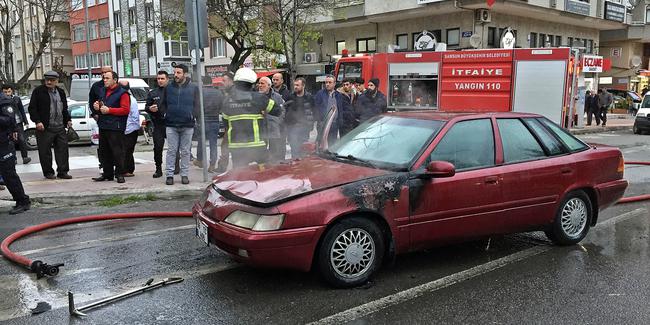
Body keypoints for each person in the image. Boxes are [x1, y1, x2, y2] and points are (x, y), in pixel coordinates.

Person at [222, 67, 282, 167]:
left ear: (235, 83)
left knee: (240, 175)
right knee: (265, 173)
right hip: (257, 146)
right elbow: (277, 111)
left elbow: (225, 123)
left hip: (236, 147)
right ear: (253, 84)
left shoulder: (227, 101)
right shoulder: (260, 98)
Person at [28, 70, 73, 180]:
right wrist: (37, 121)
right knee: (45, 152)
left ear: (57, 81)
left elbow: (64, 108)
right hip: (45, 127)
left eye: (52, 80)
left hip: (60, 126)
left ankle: (62, 171)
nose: (49, 82)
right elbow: (32, 108)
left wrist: (68, 120)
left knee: (62, 150)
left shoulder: (61, 92)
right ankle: (48, 172)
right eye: (47, 80)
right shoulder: (38, 91)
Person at [160, 64, 199, 185]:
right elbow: (163, 103)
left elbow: (197, 105)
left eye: (178, 73)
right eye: (175, 72)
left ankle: (185, 175)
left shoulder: (193, 88)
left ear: (185, 74)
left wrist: (193, 115)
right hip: (171, 124)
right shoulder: (169, 87)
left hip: (187, 124)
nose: (175, 75)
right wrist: (165, 114)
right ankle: (169, 175)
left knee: (186, 151)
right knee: (171, 150)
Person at [92, 71, 130, 183]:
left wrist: (110, 110)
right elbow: (101, 103)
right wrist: (97, 106)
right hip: (103, 125)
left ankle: (119, 174)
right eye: (104, 78)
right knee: (104, 151)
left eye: (107, 78)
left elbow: (125, 109)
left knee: (117, 151)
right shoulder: (103, 91)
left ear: (115, 80)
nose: (104, 80)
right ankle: (107, 174)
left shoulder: (123, 93)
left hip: (116, 126)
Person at [0, 93, 31, 214]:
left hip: (4, 143)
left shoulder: (4, 101)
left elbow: (9, 119)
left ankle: (23, 201)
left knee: (9, 174)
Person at [194, 76, 224, 172]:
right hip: (215, 120)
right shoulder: (219, 93)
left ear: (202, 82)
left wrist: (196, 118)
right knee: (213, 143)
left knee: (201, 141)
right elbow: (221, 107)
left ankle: (200, 160)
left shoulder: (200, 93)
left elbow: (197, 107)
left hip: (203, 120)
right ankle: (212, 164)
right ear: (211, 82)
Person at [314, 75, 353, 145]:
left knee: (332, 144)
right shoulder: (320, 94)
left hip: (334, 124)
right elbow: (315, 108)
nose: (327, 84)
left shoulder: (338, 95)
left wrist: (340, 121)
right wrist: (319, 120)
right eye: (326, 82)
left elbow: (340, 109)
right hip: (323, 124)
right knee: (322, 144)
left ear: (334, 83)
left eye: (329, 82)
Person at [145, 70, 169, 178]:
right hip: (158, 124)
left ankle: (175, 166)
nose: (160, 81)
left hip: (171, 123)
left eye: (162, 78)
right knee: (158, 147)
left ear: (167, 79)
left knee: (174, 148)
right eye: (158, 79)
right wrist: (150, 108)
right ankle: (158, 168)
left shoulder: (172, 91)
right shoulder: (153, 92)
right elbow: (146, 107)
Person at [284, 77, 315, 158]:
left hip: (304, 128)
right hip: (292, 128)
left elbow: (314, 111)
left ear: (303, 85)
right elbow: (285, 111)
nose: (295, 87)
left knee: (304, 150)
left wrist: (310, 124)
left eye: (297, 85)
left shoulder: (309, 97)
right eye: (294, 85)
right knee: (294, 150)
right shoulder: (290, 97)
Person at [258, 77, 286, 162]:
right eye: (259, 83)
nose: (260, 85)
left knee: (275, 153)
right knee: (262, 155)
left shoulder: (277, 97)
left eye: (262, 83)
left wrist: (277, 122)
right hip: (261, 130)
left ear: (269, 85)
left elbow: (283, 111)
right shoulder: (256, 97)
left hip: (274, 129)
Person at [2, 84, 30, 164]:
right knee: (10, 142)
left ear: (12, 91)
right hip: (8, 124)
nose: (7, 93)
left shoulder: (16, 99)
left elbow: (21, 110)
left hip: (18, 122)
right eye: (5, 92)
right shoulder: (2, 100)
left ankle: (25, 157)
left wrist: (26, 121)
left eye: (9, 91)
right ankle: (13, 159)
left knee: (21, 140)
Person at [215, 71, 234, 173]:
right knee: (225, 146)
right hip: (229, 125)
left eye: (224, 80)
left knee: (225, 146)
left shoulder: (233, 93)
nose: (222, 83)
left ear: (231, 81)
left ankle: (223, 167)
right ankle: (222, 167)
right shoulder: (228, 92)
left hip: (233, 125)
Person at [121, 80, 140, 177]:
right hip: (127, 128)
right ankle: (127, 169)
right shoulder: (125, 98)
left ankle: (127, 169)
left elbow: (134, 116)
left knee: (127, 150)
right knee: (126, 150)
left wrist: (128, 128)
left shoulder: (131, 99)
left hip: (130, 129)